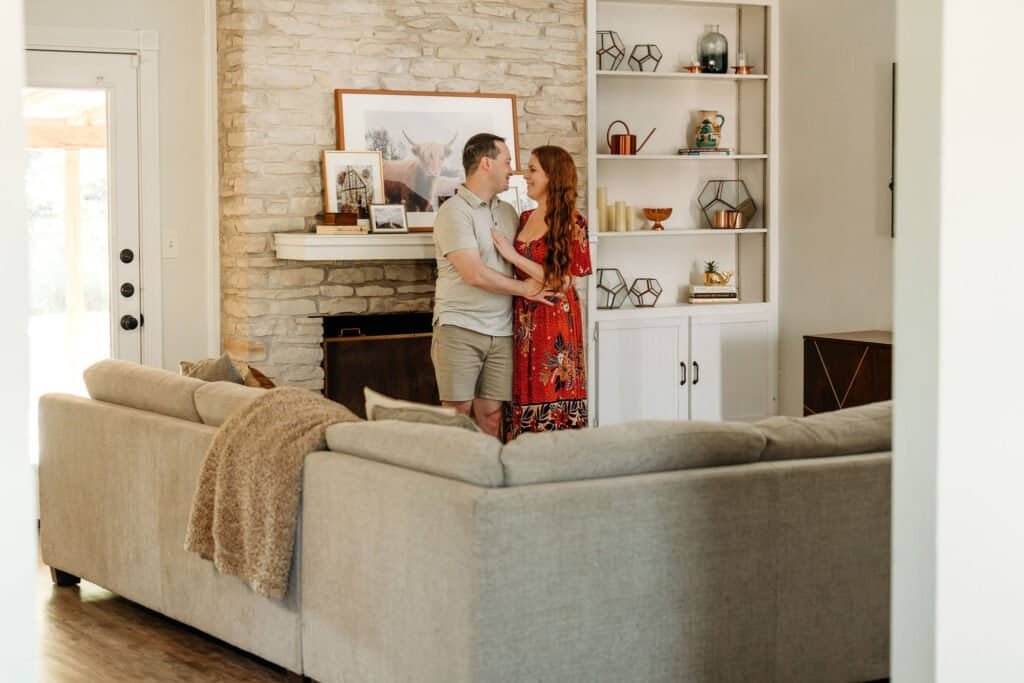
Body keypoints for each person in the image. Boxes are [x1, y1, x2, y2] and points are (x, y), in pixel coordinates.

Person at [431, 133, 557, 437]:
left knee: (492, 416)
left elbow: (522, 261)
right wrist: (526, 289)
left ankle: (490, 480)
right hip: (460, 327)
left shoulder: (508, 212)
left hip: (502, 331)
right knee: (456, 416)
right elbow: (473, 273)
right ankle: (454, 483)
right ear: (486, 163)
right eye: (507, 161)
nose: (512, 169)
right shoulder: (454, 212)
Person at [491, 145, 592, 438]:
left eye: (533, 169)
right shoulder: (523, 217)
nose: (526, 176)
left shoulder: (574, 221)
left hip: (555, 318)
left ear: (552, 175)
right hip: (525, 318)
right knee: (523, 392)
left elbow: (562, 282)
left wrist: (513, 256)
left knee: (552, 392)